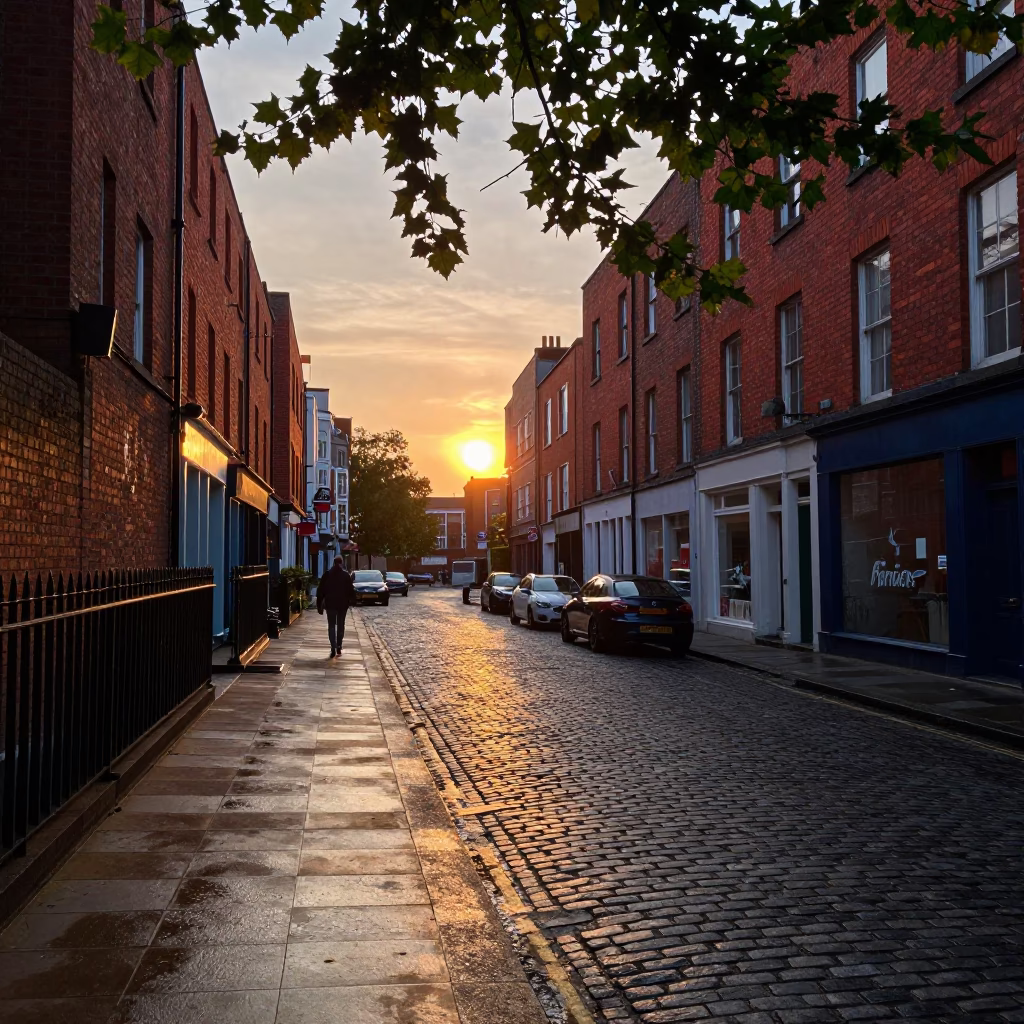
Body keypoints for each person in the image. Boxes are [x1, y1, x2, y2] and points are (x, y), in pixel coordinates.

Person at [317, 556, 355, 658]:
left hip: (330, 604)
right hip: (342, 604)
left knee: (332, 625)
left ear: (334, 563)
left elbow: (320, 591)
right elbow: (351, 590)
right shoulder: (345, 575)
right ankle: (339, 645)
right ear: (341, 563)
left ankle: (333, 647)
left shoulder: (327, 574)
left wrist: (319, 605)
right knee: (341, 625)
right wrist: (351, 601)